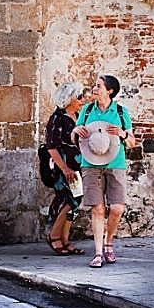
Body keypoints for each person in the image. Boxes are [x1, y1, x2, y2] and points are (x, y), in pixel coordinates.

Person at [72, 74, 135, 268]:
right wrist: (76, 131)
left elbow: (132, 142)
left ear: (110, 91)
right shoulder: (86, 110)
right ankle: (99, 253)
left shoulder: (121, 112)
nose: (94, 89)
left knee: (117, 208)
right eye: (95, 85)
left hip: (116, 164)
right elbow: (75, 136)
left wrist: (122, 134)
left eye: (99, 86)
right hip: (90, 164)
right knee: (98, 209)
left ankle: (109, 242)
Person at [44, 82, 86, 255]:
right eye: (79, 97)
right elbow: (51, 146)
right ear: (69, 99)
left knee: (75, 200)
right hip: (63, 167)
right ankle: (54, 236)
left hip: (77, 165)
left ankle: (65, 239)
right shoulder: (57, 118)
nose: (82, 100)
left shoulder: (78, 116)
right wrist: (65, 169)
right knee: (69, 199)